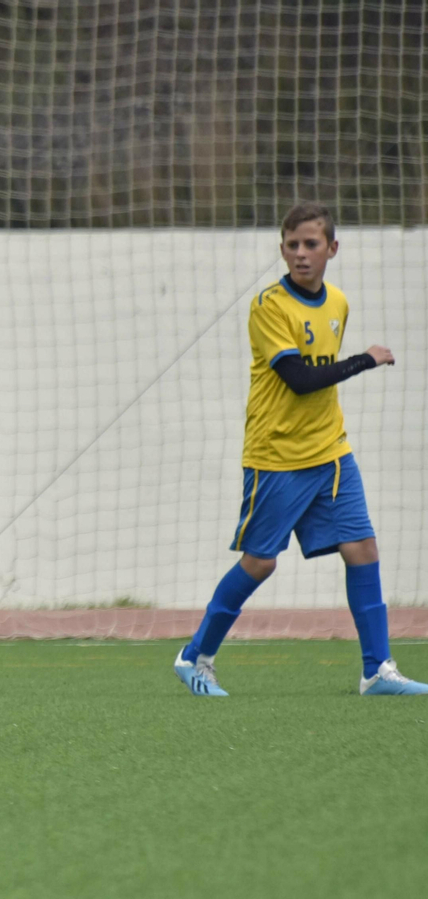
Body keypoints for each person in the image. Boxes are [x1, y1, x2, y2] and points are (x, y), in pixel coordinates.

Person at [174, 202, 428, 698]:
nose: (301, 254)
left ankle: (377, 670)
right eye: (292, 245)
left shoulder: (338, 302)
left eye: (311, 244)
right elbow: (299, 380)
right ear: (282, 249)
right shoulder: (269, 306)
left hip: (331, 453)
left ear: (332, 248)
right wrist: (366, 360)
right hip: (277, 457)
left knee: (363, 549)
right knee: (261, 562)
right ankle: (194, 656)